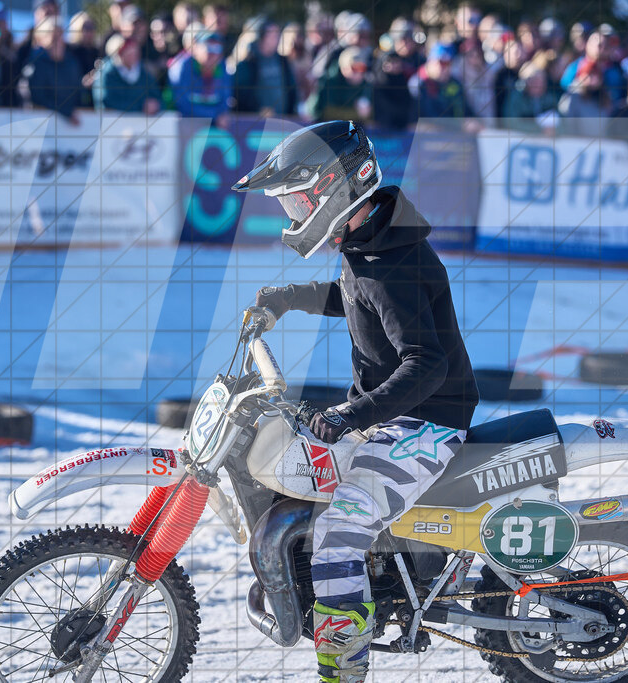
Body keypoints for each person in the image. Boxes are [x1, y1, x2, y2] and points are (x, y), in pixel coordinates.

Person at [232, 120, 478, 683]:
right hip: (391, 417)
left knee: (337, 532)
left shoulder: (394, 261)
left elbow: (426, 362)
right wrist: (286, 299)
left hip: (427, 423)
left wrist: (351, 416)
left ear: (337, 190)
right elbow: (356, 298)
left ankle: (343, 669)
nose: (292, 213)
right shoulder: (371, 242)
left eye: (296, 200)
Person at [18, 17, 83, 120]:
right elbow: (36, 97)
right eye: (53, 37)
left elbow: (77, 93)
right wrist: (65, 112)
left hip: (69, 126)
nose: (58, 41)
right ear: (40, 40)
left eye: (61, 35)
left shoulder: (71, 62)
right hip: (40, 123)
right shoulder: (34, 64)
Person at [233, 17, 297, 116]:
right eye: (272, 35)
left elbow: (292, 89)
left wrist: (293, 111)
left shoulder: (283, 61)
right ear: (261, 37)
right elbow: (241, 94)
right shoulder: (248, 63)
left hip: (283, 121)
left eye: (277, 35)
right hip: (255, 123)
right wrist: (257, 109)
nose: (276, 39)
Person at [167, 28, 231, 123]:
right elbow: (182, 105)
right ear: (195, 47)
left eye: (217, 48)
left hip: (210, 127)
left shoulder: (222, 67)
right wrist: (213, 117)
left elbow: (224, 104)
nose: (212, 53)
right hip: (182, 126)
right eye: (208, 47)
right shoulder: (182, 67)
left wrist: (215, 117)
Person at [93, 33, 161, 113]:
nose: (133, 53)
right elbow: (105, 102)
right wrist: (140, 107)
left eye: (135, 49)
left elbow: (157, 97)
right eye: (128, 50)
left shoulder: (144, 72)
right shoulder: (107, 73)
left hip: (140, 124)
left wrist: (156, 105)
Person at [408, 42, 473, 121]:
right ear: (430, 62)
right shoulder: (418, 83)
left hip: (454, 129)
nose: (444, 68)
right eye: (440, 62)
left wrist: (470, 121)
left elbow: (465, 109)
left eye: (448, 63)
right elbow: (421, 119)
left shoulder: (454, 83)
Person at [306, 45, 370, 122]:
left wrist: (367, 115)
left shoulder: (366, 85)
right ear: (343, 68)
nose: (359, 73)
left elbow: (372, 119)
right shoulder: (327, 83)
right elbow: (319, 112)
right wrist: (357, 113)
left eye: (362, 68)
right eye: (354, 68)